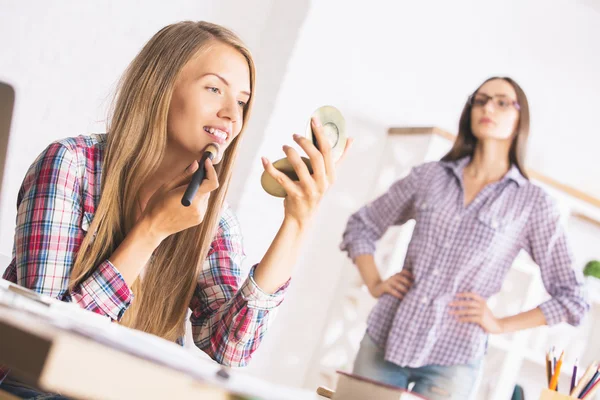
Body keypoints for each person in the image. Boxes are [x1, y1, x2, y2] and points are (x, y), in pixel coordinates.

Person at [0, 20, 351, 396]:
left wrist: (297, 224)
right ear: (160, 88)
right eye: (214, 88)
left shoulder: (214, 220)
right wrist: (151, 230)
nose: (233, 114)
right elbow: (40, 339)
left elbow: (230, 348)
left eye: (243, 101)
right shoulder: (70, 164)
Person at [340, 77, 588, 399]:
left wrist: (500, 324)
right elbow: (361, 225)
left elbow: (573, 298)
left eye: (501, 102)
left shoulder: (532, 204)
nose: (487, 107)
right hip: (385, 337)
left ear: (519, 119)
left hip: (454, 361)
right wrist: (374, 282)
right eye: (480, 99)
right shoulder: (430, 176)